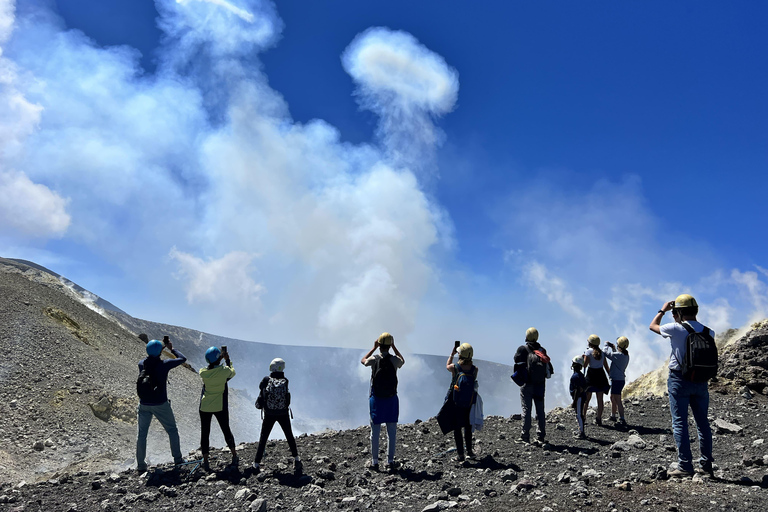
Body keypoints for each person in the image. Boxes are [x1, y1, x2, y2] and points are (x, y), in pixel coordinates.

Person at [650, 294, 715, 477]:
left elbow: (652, 326)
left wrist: (663, 309)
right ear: (696, 310)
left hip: (679, 379)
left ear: (678, 312)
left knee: (680, 422)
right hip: (701, 380)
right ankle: (706, 466)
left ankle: (685, 466)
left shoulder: (675, 328)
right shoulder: (709, 332)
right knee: (703, 423)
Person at [136, 337, 187, 471]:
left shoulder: (141, 364)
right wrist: (171, 348)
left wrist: (158, 349)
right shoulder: (165, 364)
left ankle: (141, 465)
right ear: (160, 352)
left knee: (142, 434)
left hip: (144, 404)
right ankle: (178, 459)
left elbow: (150, 359)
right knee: (172, 430)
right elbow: (182, 359)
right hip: (160, 404)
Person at [361, 332, 405, 471]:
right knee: (391, 432)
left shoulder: (374, 359)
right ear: (390, 346)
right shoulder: (394, 360)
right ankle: (390, 461)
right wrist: (394, 347)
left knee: (375, 432)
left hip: (377, 399)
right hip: (391, 399)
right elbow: (402, 360)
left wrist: (373, 348)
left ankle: (375, 462)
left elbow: (363, 360)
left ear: (379, 345)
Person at [253, 358, 300, 471]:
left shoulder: (266, 379)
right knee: (289, 435)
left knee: (264, 437)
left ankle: (256, 463)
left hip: (269, 413)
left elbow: (261, 388)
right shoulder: (285, 380)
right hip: (283, 413)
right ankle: (297, 459)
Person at [199, 346, 238, 468]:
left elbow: (209, 367)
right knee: (226, 430)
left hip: (204, 406)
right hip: (220, 406)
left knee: (205, 433)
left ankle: (205, 460)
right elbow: (232, 371)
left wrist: (217, 359)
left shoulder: (203, 373)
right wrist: (227, 359)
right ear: (219, 358)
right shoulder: (224, 371)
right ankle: (234, 454)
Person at [513, 327, 553, 444]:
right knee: (540, 410)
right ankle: (541, 436)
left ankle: (525, 436)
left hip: (527, 384)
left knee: (527, 409)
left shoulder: (522, 349)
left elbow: (516, 360)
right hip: (540, 384)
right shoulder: (542, 350)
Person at [446, 342, 477, 461]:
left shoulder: (455, 368)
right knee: (467, 426)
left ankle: (460, 455)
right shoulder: (475, 370)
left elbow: (447, 365)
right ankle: (470, 452)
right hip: (469, 403)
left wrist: (451, 354)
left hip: (456, 402)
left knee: (457, 428)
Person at [582, 335, 610, 426]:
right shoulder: (601, 353)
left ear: (590, 343)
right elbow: (606, 366)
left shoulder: (588, 352)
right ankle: (599, 419)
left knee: (586, 399)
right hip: (600, 376)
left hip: (591, 376)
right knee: (600, 399)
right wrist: (610, 375)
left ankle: (583, 418)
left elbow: (585, 365)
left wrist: (583, 358)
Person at [604, 337, 630, 427]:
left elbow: (606, 353)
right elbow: (615, 355)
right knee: (613, 398)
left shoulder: (619, 356)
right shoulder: (625, 355)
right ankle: (613, 415)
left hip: (617, 381)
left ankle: (622, 418)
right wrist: (613, 348)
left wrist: (606, 345)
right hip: (619, 380)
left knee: (618, 400)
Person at [569, 356, 588, 439]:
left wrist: (574, 402)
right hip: (582, 397)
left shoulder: (575, 377)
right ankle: (580, 429)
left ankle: (581, 432)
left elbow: (577, 390)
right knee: (580, 414)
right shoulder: (581, 375)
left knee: (579, 415)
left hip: (578, 398)